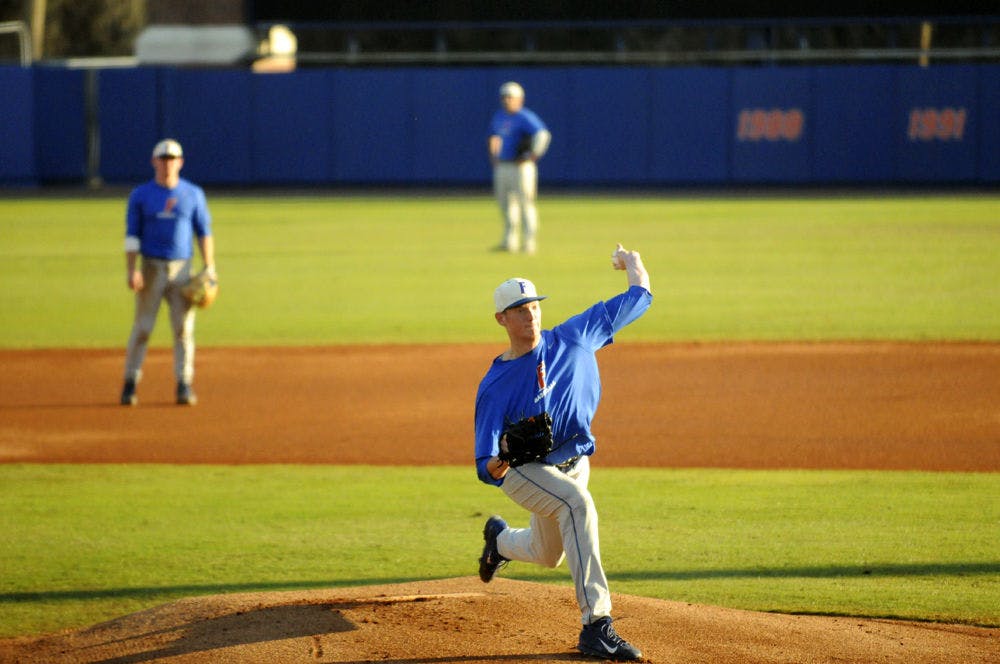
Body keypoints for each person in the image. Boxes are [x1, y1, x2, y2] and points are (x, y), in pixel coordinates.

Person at [474, 243, 651, 661]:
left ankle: (499, 543)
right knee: (577, 506)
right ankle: (597, 625)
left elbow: (638, 297)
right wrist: (502, 462)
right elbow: (486, 465)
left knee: (547, 552)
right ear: (502, 319)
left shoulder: (575, 335)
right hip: (524, 471)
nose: (529, 314)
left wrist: (633, 263)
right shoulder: (495, 385)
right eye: (519, 310)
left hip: (574, 463)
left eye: (533, 306)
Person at [120, 138, 215, 407]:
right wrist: (132, 270)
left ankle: (184, 384)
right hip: (151, 267)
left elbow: (204, 232)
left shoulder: (193, 194)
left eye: (172, 158)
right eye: (163, 158)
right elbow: (132, 236)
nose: (167, 163)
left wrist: (210, 266)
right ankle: (130, 383)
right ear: (154, 162)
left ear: (181, 162)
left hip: (182, 269)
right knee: (143, 328)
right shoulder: (141, 195)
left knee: (183, 329)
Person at [488, 81, 551, 254]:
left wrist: (533, 155)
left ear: (519, 99)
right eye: (504, 97)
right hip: (503, 164)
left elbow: (543, 135)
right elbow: (494, 136)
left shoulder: (525, 117)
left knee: (525, 203)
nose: (507, 100)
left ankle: (529, 243)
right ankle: (510, 241)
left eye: (510, 97)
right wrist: (493, 155)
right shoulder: (500, 116)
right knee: (505, 204)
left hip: (521, 166)